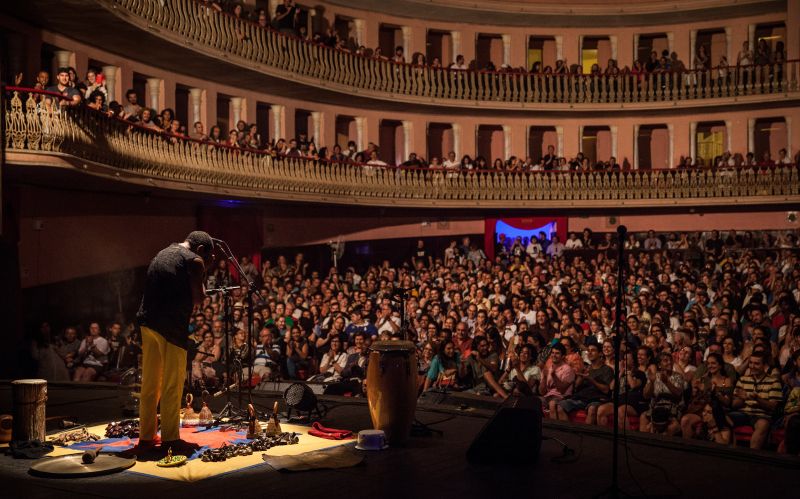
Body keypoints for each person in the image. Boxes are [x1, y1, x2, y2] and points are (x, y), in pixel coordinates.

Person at [136, 231, 214, 454]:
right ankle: (170, 439)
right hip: (171, 328)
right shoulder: (195, 260)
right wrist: (205, 267)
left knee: (150, 384)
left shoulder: (163, 252)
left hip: (147, 323)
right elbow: (199, 298)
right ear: (200, 250)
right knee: (172, 384)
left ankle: (146, 437)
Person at [730, 351, 783, 449]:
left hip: (761, 415)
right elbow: (734, 405)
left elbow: (773, 407)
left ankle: (752, 458)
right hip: (743, 414)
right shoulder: (743, 379)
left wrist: (756, 398)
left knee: (763, 424)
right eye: (751, 363)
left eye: (756, 363)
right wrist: (742, 399)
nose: (752, 366)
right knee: (723, 417)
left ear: (764, 365)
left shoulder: (774, 382)